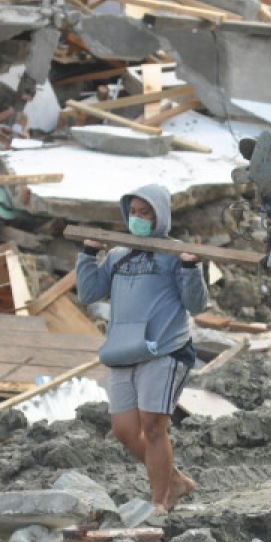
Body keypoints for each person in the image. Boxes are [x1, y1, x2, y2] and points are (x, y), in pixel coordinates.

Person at [76, 184, 209, 512]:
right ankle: (174, 479)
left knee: (153, 425)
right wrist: (88, 254)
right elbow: (89, 293)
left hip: (164, 350)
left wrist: (192, 268)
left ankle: (159, 501)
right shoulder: (120, 255)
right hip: (123, 351)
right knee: (124, 431)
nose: (137, 218)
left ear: (159, 215)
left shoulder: (176, 254)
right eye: (133, 212)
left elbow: (197, 303)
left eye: (144, 212)